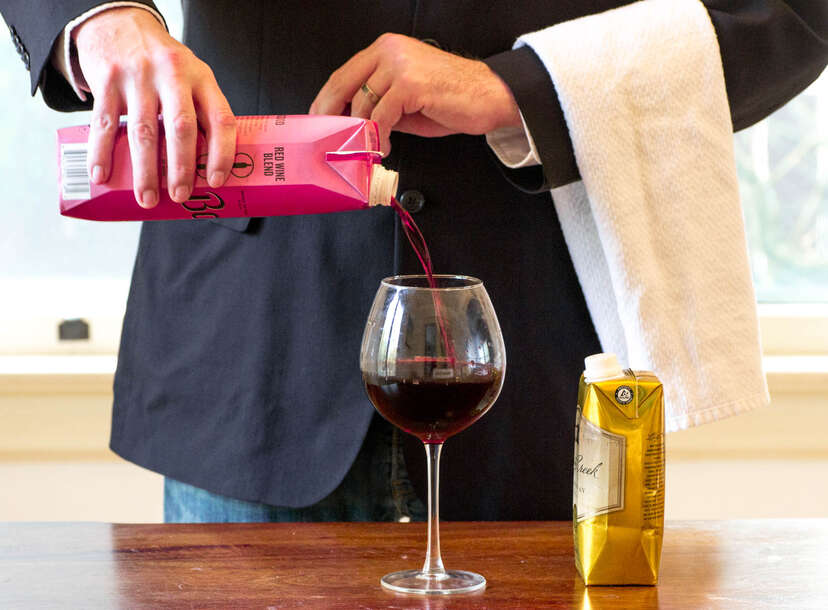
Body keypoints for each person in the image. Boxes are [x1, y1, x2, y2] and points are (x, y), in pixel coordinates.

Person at [2, 1, 826, 522]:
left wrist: (518, 88)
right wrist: (98, 16)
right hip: (253, 351)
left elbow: (792, 14)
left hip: (546, 355)